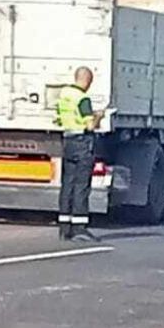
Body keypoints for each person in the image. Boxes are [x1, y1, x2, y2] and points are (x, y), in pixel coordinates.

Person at [56, 66, 106, 241]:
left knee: (67, 184)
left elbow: (62, 116)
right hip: (82, 143)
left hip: (67, 141)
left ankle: (64, 227)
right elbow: (90, 126)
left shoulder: (64, 94)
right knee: (81, 185)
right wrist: (99, 116)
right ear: (87, 80)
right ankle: (79, 227)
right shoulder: (83, 98)